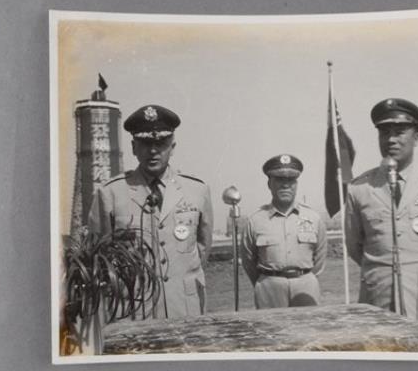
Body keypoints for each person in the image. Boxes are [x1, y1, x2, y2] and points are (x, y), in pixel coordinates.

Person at [88, 104, 213, 319]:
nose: (153, 151)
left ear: (172, 147)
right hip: (133, 310)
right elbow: (98, 256)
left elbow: (202, 249)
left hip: (184, 307)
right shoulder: (111, 194)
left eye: (161, 143)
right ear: (134, 147)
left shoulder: (197, 191)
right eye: (146, 143)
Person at [344, 98, 418, 328]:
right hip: (378, 300)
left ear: (416, 138)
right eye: (384, 133)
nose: (391, 139)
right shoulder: (359, 189)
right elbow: (355, 246)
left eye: (400, 132)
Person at [241, 154, 327, 309]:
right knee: (271, 325)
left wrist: (305, 278)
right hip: (269, 288)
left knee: (309, 324)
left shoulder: (313, 218)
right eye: (280, 179)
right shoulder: (255, 221)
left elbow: (320, 257)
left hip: (306, 286)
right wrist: (268, 281)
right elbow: (248, 261)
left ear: (296, 184)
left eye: (291, 180)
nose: (286, 185)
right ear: (269, 183)